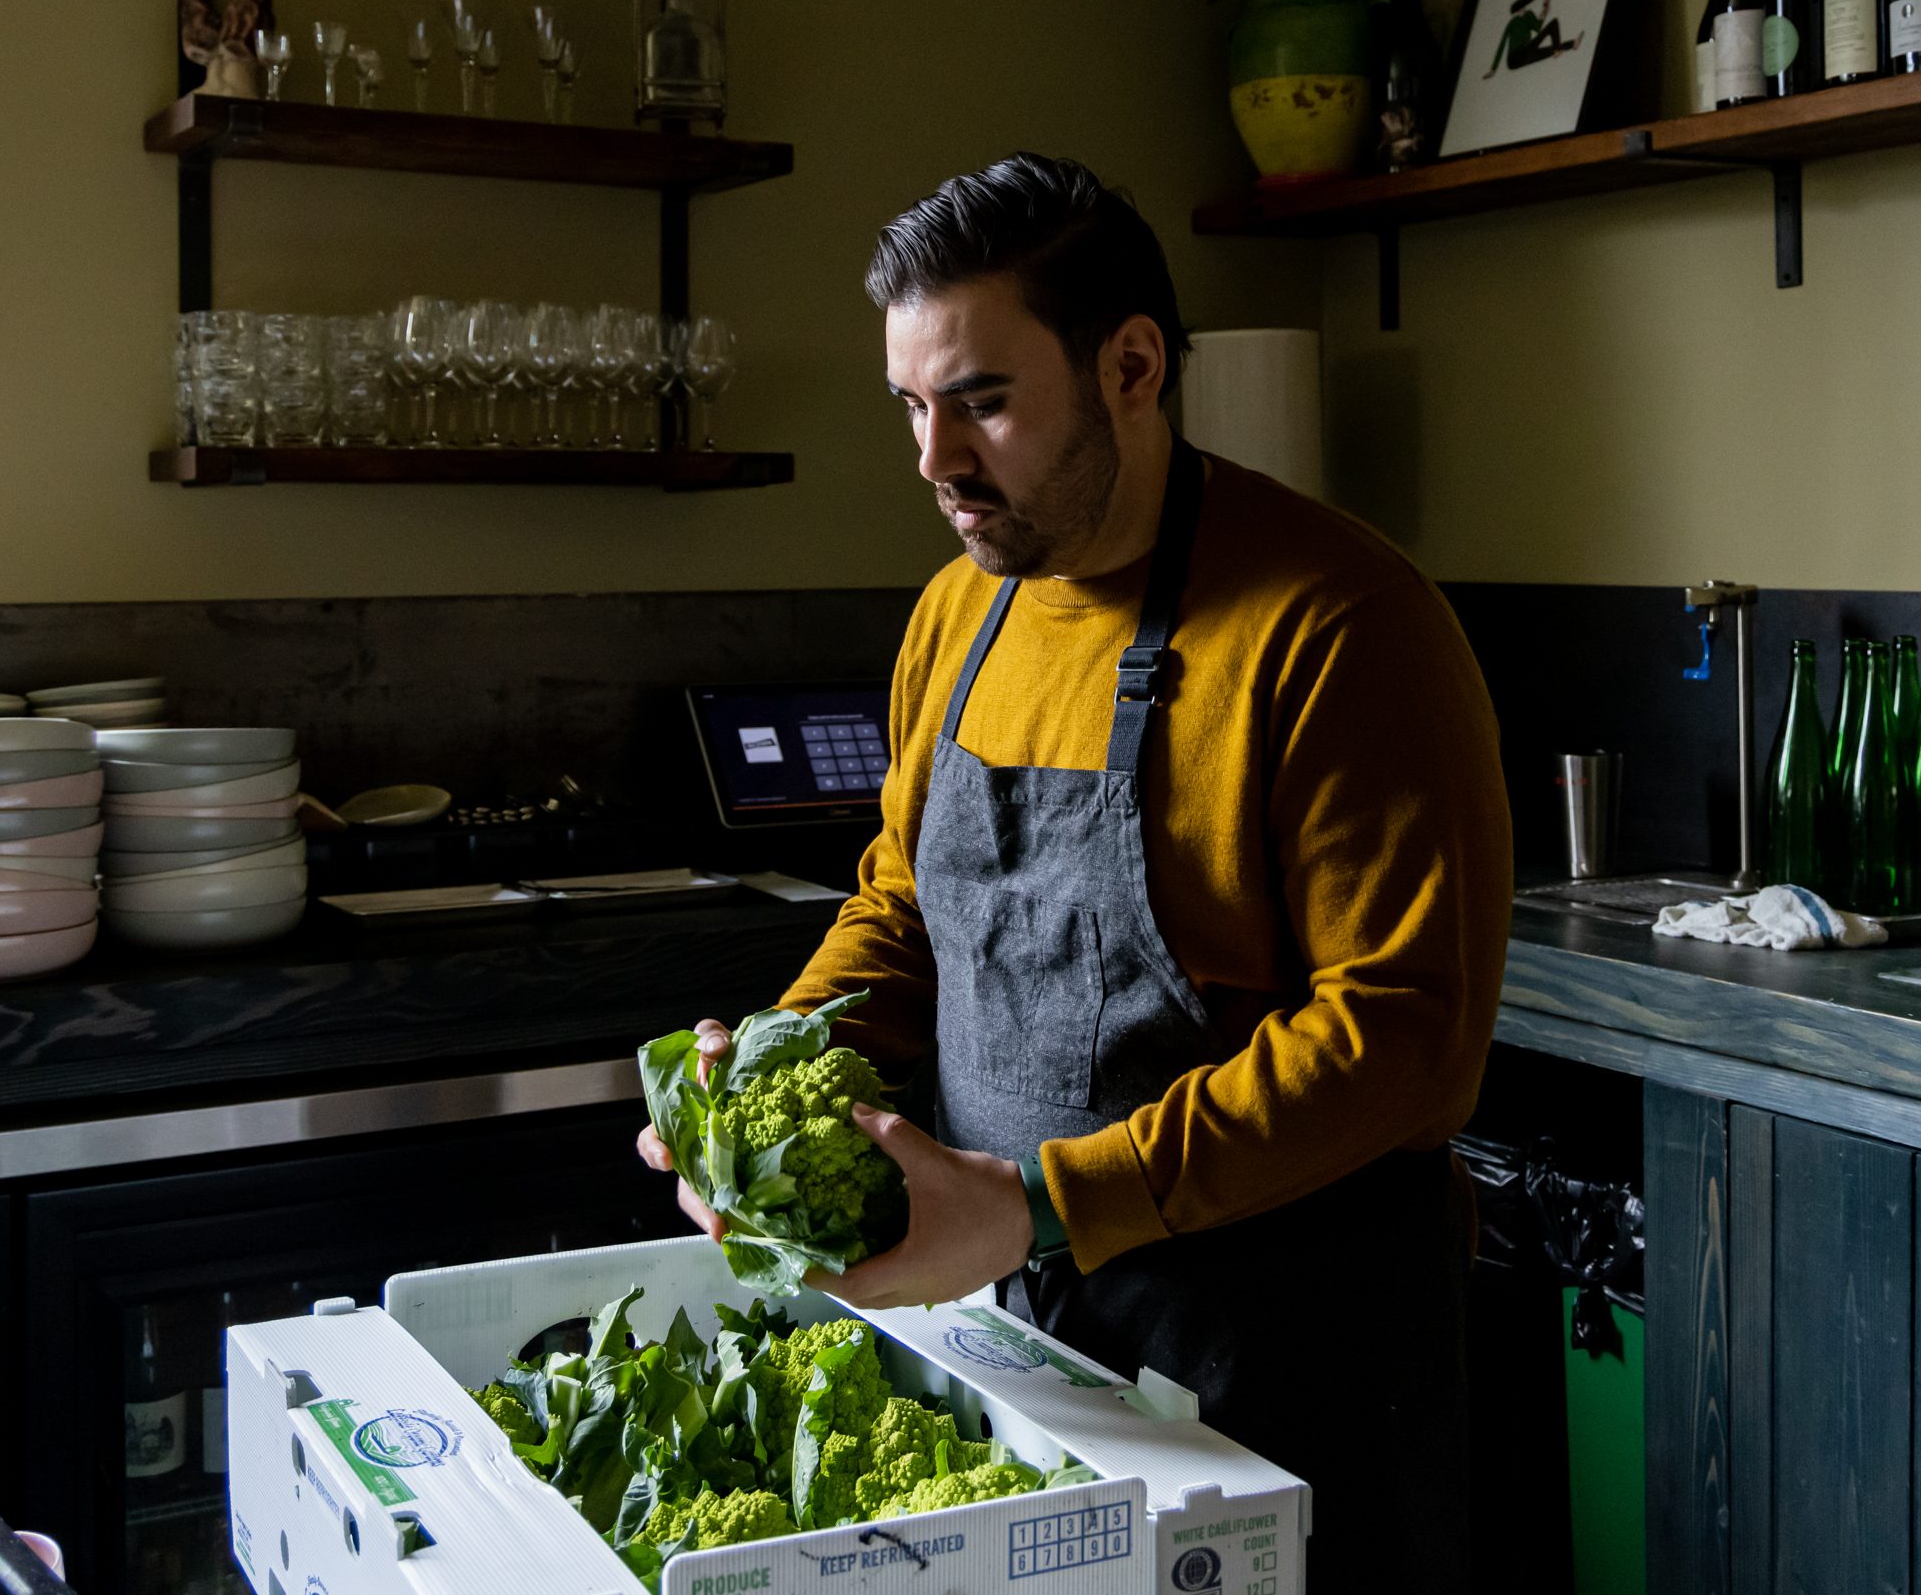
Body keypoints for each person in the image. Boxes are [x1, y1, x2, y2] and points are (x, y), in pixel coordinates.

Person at [639, 153, 1514, 1594]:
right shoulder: (956, 614)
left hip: (1290, 1360)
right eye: (911, 407)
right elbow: (905, 906)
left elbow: (1404, 1044)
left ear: (1129, 366)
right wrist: (777, 1072)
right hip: (1031, 1334)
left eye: (981, 400)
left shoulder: (1344, 627)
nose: (934, 460)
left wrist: (1040, 1197)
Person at [1483, 0, 1584, 76]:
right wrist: (1493, 68)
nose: (1523, 9)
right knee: (1541, 50)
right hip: (1514, 58)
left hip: (1527, 50)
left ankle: (1570, 45)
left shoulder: (1529, 15)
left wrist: (1545, 9)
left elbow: (1538, 28)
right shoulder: (1512, 23)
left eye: (1524, 6)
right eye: (1521, 8)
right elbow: (1502, 43)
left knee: (1554, 23)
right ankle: (1560, 48)